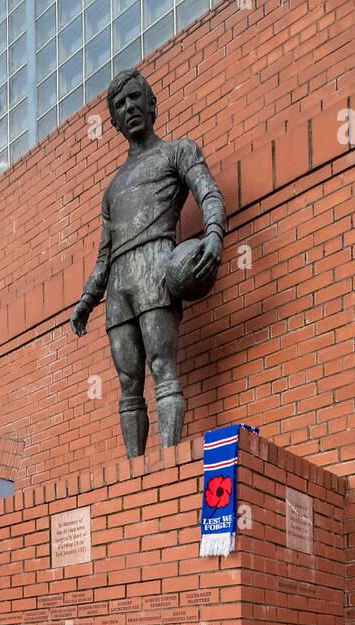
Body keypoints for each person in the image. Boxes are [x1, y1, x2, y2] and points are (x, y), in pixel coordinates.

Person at [71, 69, 226, 457]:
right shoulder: (112, 188)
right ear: (115, 122)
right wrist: (88, 299)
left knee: (163, 369)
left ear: (152, 103)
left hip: (157, 265)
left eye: (135, 98)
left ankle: (169, 463)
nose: (129, 108)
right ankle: (134, 476)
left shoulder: (177, 151)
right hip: (120, 284)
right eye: (120, 105)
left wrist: (214, 235)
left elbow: (209, 193)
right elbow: (105, 253)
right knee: (128, 384)